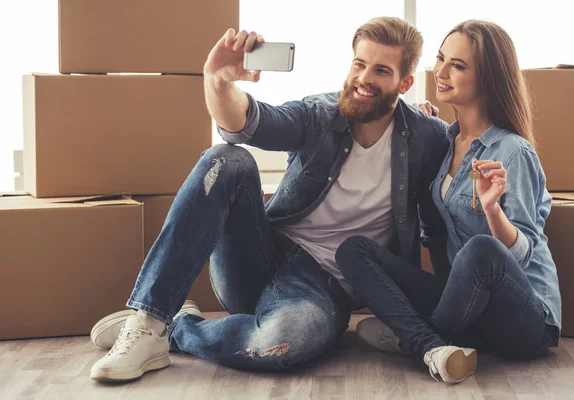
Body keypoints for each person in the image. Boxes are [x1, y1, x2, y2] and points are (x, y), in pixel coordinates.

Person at [88, 17, 451, 381]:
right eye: (359, 63)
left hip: (323, 289)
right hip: (260, 259)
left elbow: (438, 224)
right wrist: (217, 79)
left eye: (381, 70)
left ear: (404, 83)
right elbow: (246, 122)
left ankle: (179, 326)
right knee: (226, 159)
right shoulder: (319, 115)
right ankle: (149, 321)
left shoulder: (426, 137)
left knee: (282, 342)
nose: (363, 78)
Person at [336, 19, 561, 384]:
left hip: (526, 321)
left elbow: (518, 255)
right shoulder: (446, 143)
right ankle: (433, 344)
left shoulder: (512, 152)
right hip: (470, 308)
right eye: (441, 59)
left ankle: (417, 339)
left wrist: (491, 209)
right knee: (353, 250)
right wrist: (423, 126)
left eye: (457, 65)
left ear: (488, 78)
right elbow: (436, 235)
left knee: (481, 249)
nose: (440, 71)